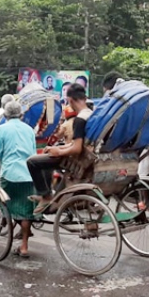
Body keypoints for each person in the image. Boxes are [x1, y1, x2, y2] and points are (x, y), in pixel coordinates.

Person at [27, 83, 92, 214]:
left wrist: (59, 151)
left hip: (78, 159)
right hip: (86, 154)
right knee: (48, 156)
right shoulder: (91, 114)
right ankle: (54, 196)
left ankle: (45, 196)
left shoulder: (79, 120)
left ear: (70, 100)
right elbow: (79, 143)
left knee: (33, 162)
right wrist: (58, 148)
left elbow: (77, 148)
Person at [0, 100, 37, 257]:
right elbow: (33, 152)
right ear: (21, 115)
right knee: (26, 211)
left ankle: (6, 221)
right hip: (28, 174)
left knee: (7, 205)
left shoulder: (2, 129)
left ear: (5, 114)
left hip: (9, 174)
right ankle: (24, 246)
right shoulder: (29, 129)